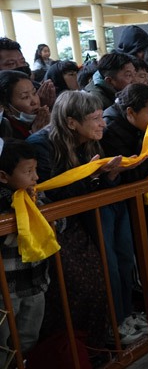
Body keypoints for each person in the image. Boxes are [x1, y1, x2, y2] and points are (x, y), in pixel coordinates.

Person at [27, 91, 129, 349]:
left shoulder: (89, 141)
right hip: (53, 228)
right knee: (73, 288)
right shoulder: (41, 145)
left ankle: (98, 342)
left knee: (98, 279)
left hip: (79, 224)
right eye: (95, 118)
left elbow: (95, 185)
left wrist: (110, 175)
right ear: (72, 122)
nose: (103, 123)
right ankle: (76, 351)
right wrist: (92, 176)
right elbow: (51, 193)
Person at [100, 83, 148, 342]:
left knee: (126, 261)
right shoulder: (112, 129)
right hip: (111, 203)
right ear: (130, 112)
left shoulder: (135, 125)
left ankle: (128, 314)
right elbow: (136, 172)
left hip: (125, 204)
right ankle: (118, 320)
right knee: (115, 265)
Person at [0, 139, 50, 361]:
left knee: (29, 336)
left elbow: (57, 220)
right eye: (28, 171)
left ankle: (22, 362)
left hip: (35, 281)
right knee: (3, 342)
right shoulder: (4, 204)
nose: (35, 177)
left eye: (35, 170)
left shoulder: (35, 195)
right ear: (3, 177)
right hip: (6, 288)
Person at [0, 70, 50, 139]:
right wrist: (35, 135)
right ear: (6, 107)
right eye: (25, 97)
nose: (34, 102)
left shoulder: (45, 119)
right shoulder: (5, 132)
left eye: (34, 93)